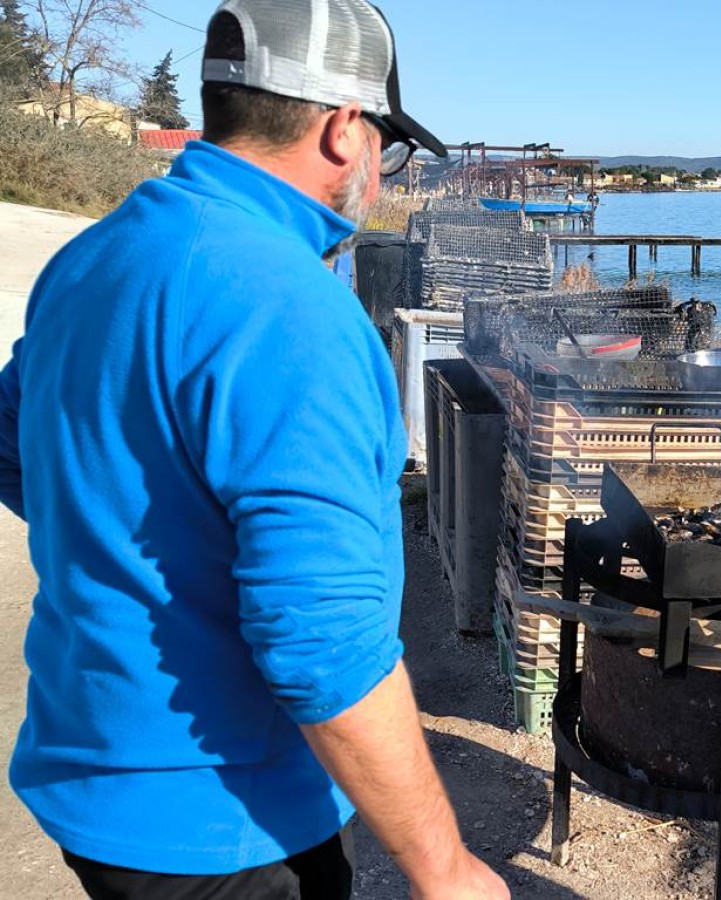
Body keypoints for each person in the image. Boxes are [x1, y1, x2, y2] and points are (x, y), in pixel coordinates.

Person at [0, 1, 509, 898]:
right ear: (344, 129)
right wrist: (446, 868)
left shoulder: (96, 257)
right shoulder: (292, 310)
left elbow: (23, 448)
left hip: (92, 774)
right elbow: (323, 642)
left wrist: (139, 545)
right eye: (388, 150)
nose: (382, 176)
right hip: (227, 824)